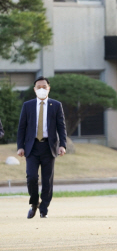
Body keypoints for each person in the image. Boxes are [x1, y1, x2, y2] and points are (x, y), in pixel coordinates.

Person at [16, 77, 67, 219]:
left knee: (47, 180)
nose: (42, 89)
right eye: (39, 87)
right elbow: (22, 128)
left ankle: (44, 208)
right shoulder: (28, 105)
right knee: (31, 177)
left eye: (44, 87)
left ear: (49, 88)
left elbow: (61, 127)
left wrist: (62, 145)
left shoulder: (56, 105)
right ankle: (34, 203)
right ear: (34, 89)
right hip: (31, 147)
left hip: (49, 147)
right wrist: (20, 146)